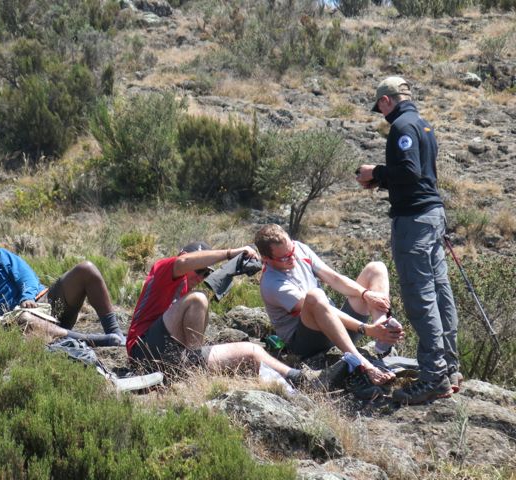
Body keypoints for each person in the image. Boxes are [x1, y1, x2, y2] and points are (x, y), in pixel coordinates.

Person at [356, 76, 461, 404]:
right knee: (440, 291)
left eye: (381, 108)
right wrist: (384, 179)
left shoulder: (402, 127)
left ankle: (433, 377)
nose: (382, 114)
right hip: (432, 215)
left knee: (421, 296)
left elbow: (409, 172)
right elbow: (419, 175)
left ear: (386, 100)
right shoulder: (424, 126)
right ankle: (450, 368)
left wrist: (376, 173)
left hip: (414, 221)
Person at [126, 241, 328, 389]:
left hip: (174, 360)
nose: (201, 277)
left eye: (206, 273)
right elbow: (184, 262)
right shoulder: (163, 270)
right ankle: (196, 371)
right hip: (142, 351)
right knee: (199, 299)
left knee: (252, 351)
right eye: (199, 270)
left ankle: (305, 380)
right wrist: (231, 253)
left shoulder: (186, 292)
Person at [254, 224, 403, 387]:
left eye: (292, 251)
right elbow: (318, 306)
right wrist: (365, 329)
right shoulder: (272, 283)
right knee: (315, 296)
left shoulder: (300, 249)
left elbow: (334, 279)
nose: (292, 258)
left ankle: (382, 332)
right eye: (284, 258)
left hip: (333, 323)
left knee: (376, 268)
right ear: (266, 259)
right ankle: (362, 363)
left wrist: (365, 294)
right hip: (306, 343)